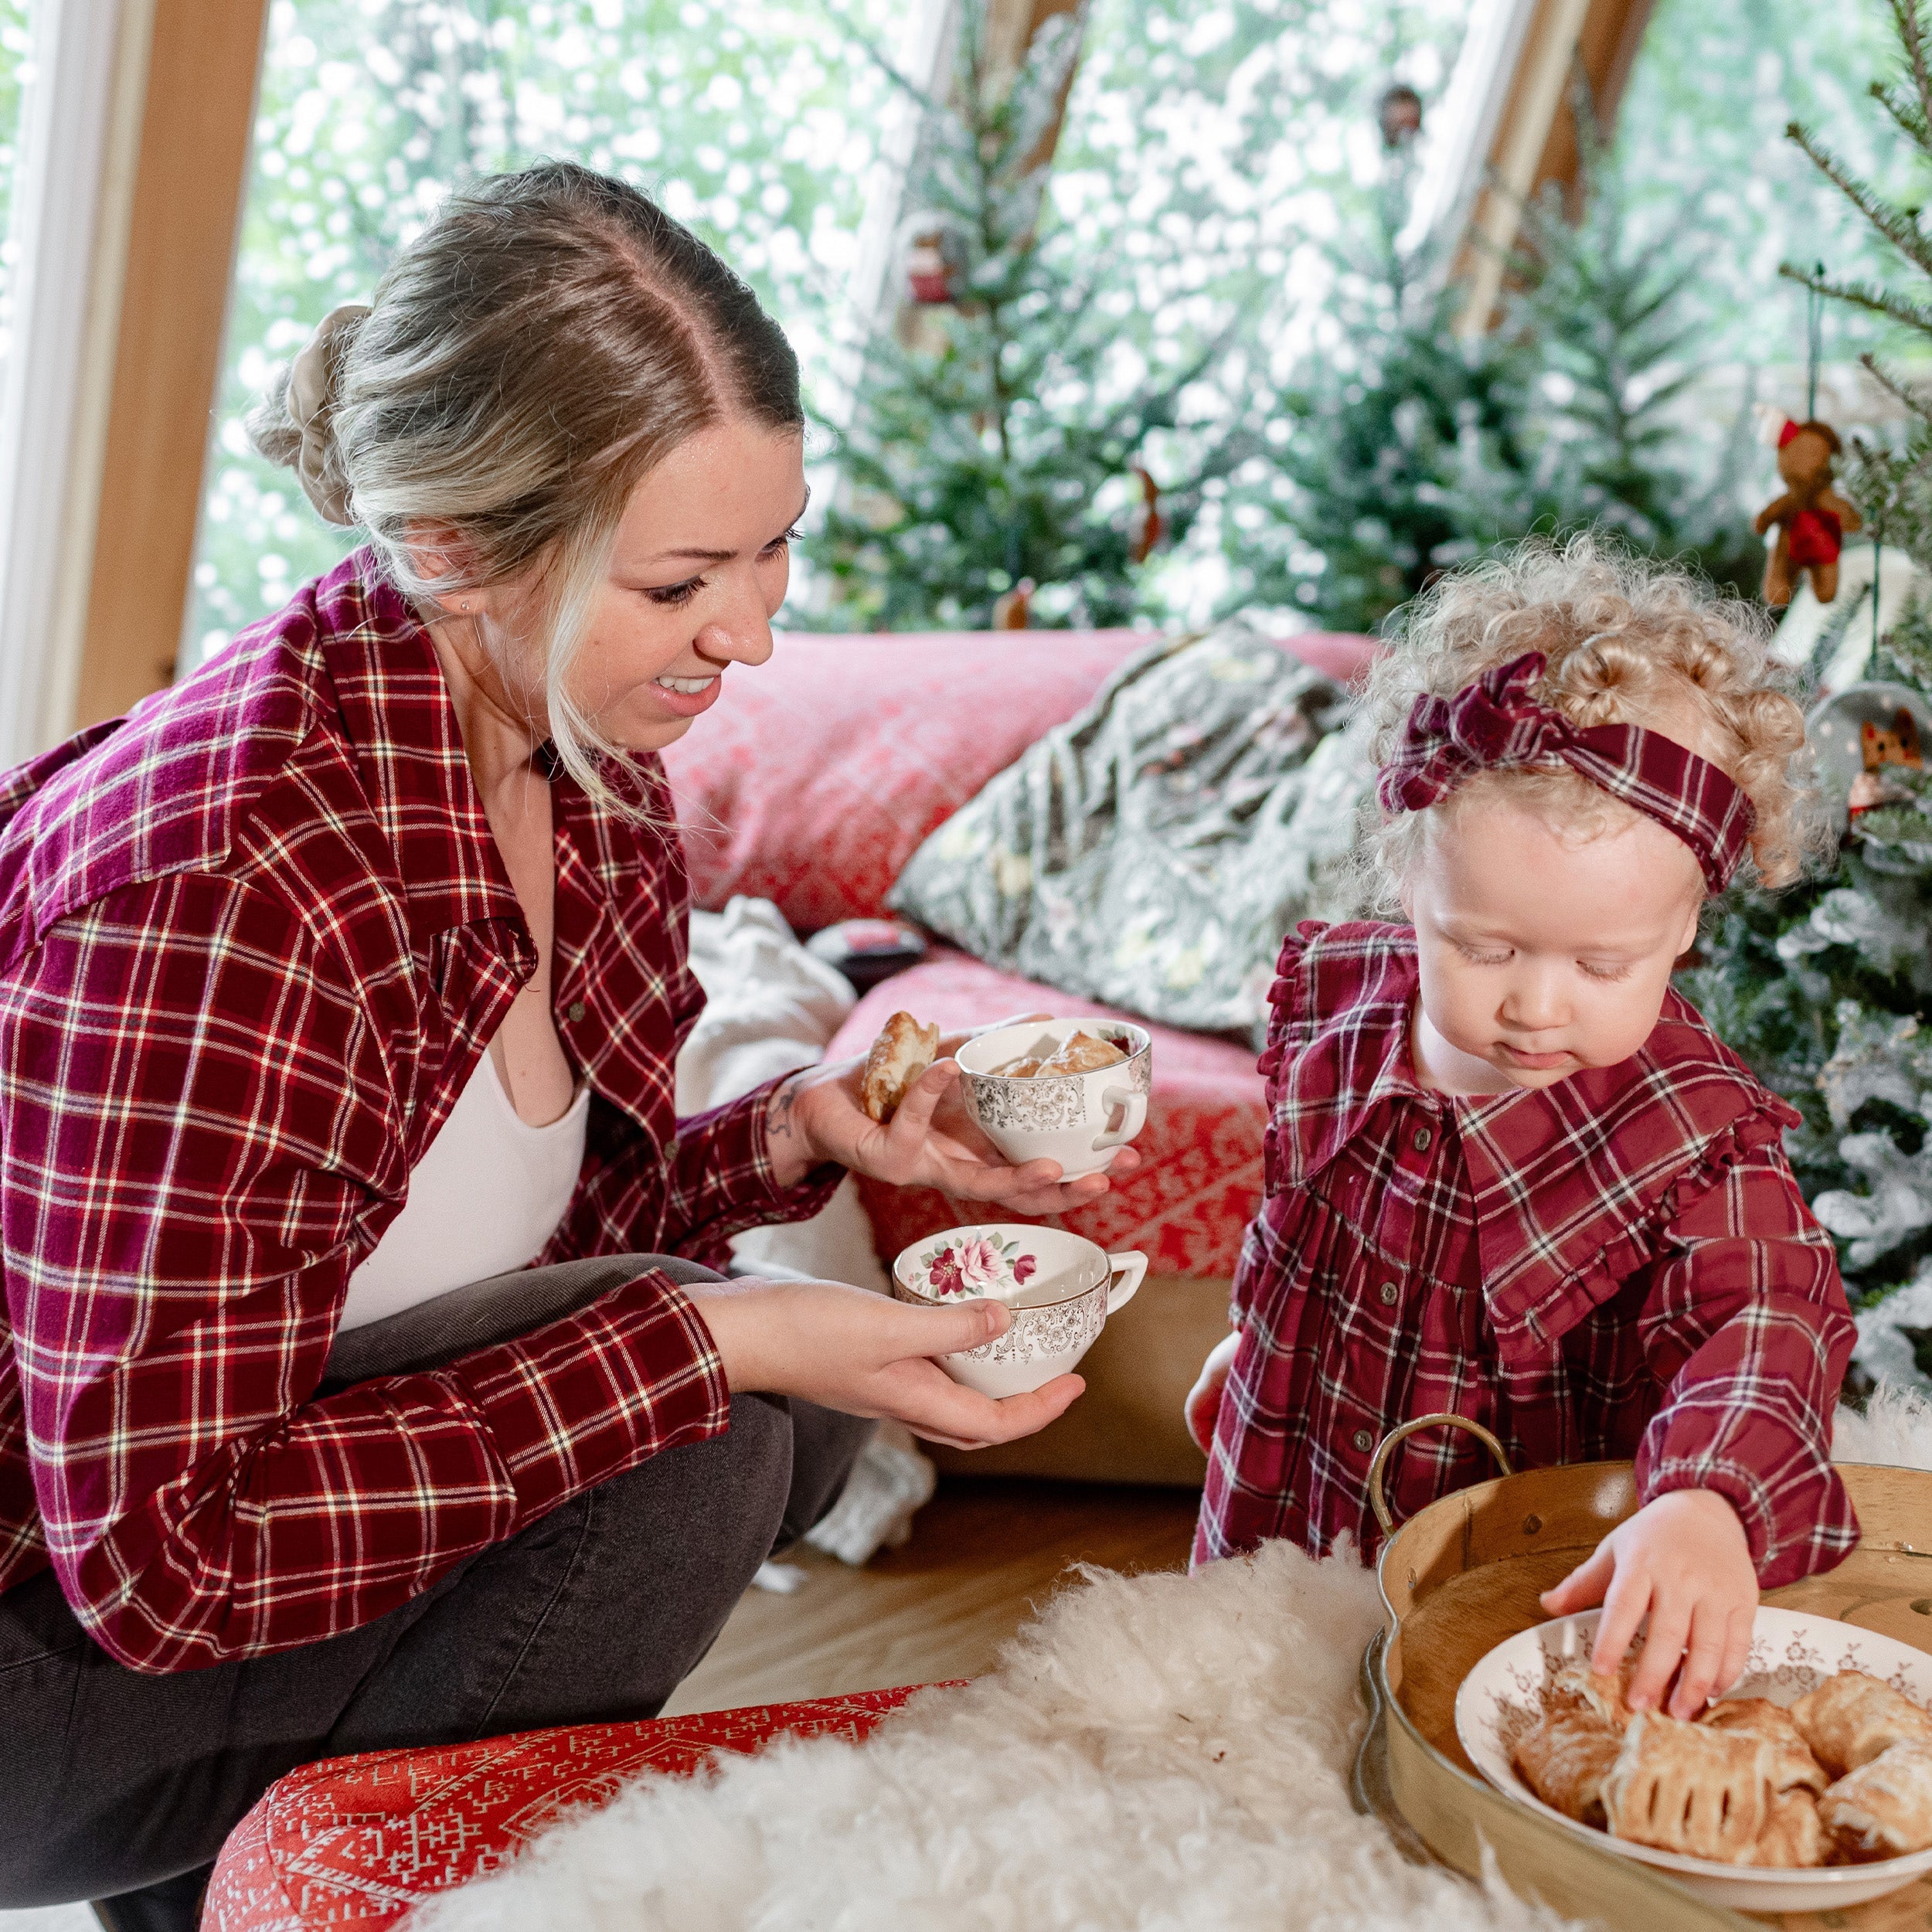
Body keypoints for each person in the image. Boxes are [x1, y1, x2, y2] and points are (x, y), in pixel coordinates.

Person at [0, 162, 1134, 1931]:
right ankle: (269, 1895)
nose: (752, 633)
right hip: (48, 1631)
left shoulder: (577, 757)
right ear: (452, 551)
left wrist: (804, 1135)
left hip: (207, 1532)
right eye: (683, 576)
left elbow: (538, 1223)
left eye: (773, 547)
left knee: (772, 1415)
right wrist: (710, 1332)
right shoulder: (223, 883)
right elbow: (162, 1558)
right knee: (698, 1438)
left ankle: (250, 1875)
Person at [1185, 537, 1857, 1723]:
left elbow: (1765, 1314)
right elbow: (1305, 1211)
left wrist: (1704, 1499)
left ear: (1690, 919)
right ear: (1409, 884)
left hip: (1510, 1552)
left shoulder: (1693, 1133)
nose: (1537, 1005)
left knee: (1443, 1751)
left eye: (1605, 963)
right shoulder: (1348, 1002)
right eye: (1484, 948)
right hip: (1300, 1481)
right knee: (1262, 1724)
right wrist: (1261, 1336)